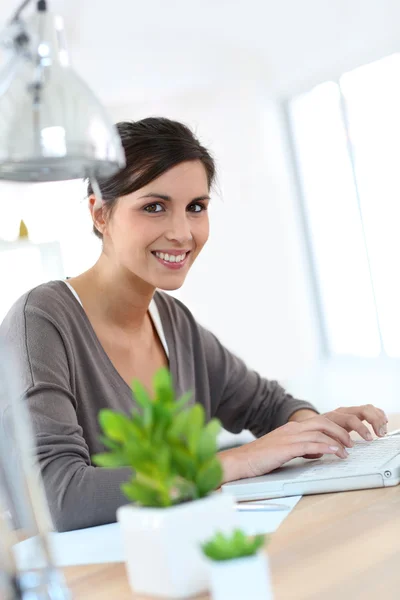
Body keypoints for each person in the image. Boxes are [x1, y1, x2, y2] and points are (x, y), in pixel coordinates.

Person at [0, 118, 388, 532]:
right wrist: (233, 462)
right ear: (100, 214)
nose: (183, 233)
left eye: (196, 208)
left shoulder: (171, 320)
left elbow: (267, 405)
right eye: (154, 207)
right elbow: (56, 496)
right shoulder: (41, 321)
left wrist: (315, 429)